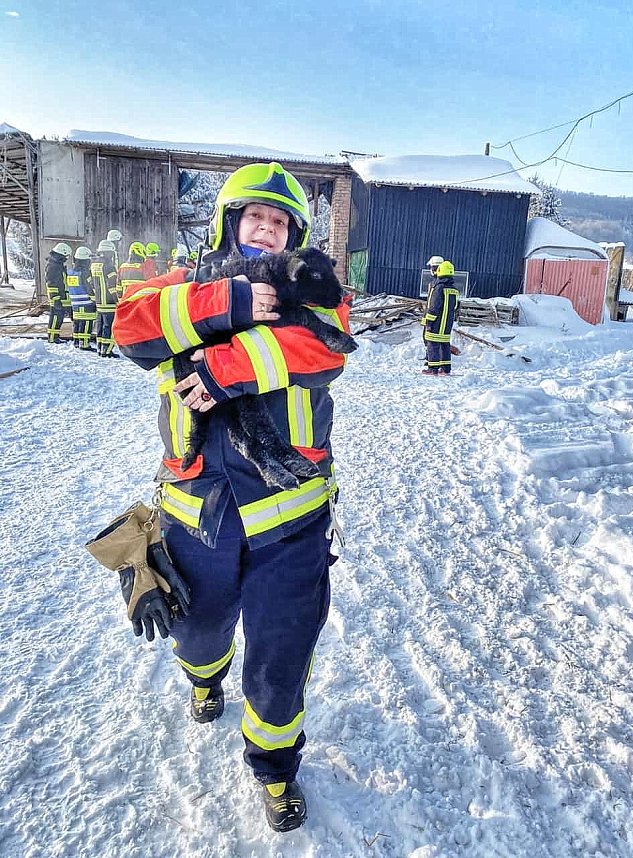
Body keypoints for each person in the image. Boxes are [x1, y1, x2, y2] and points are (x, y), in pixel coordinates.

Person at [113, 161, 351, 833]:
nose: (268, 229)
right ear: (229, 221)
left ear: (293, 234)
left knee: (281, 658)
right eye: (256, 217)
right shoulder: (185, 283)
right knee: (198, 630)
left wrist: (226, 367)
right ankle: (203, 677)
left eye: (280, 222)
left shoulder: (313, 286)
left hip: (292, 521)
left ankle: (274, 770)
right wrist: (227, 305)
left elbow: (323, 346)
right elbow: (129, 327)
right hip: (196, 516)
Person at [422, 259, 459, 375]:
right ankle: (446, 368)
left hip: (436, 323)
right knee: (445, 345)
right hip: (447, 325)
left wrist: (428, 322)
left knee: (433, 344)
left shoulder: (438, 288)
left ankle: (432, 369)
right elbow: (456, 307)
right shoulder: (454, 290)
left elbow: (434, 307)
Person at [91, 240, 119, 357]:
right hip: (109, 302)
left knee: (100, 325)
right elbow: (112, 286)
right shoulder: (109, 266)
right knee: (109, 327)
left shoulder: (94, 265)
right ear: (109, 253)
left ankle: (99, 348)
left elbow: (92, 283)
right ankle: (106, 351)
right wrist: (117, 300)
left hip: (99, 302)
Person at [67, 246, 97, 350]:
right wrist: (95, 299)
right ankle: (84, 344)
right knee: (86, 323)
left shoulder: (70, 272)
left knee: (77, 323)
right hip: (86, 303)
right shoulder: (85, 273)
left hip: (75, 303)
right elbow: (88, 287)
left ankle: (76, 342)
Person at [45, 242, 72, 344]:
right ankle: (52, 338)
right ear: (61, 254)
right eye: (65, 256)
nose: (66, 258)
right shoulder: (53, 267)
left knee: (59, 318)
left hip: (62, 297)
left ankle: (55, 336)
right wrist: (56, 299)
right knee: (55, 318)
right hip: (57, 298)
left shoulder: (57, 265)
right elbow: (51, 284)